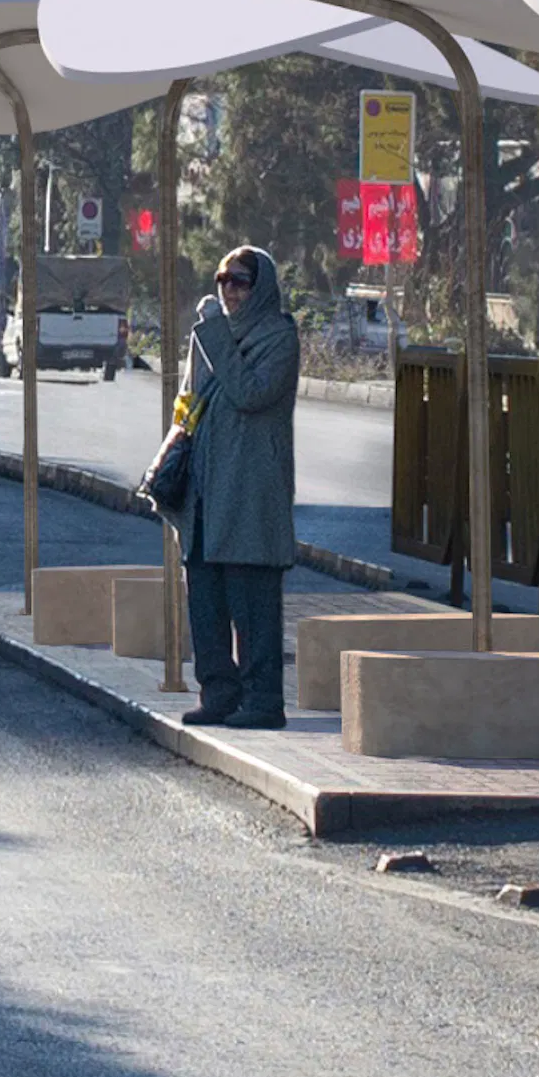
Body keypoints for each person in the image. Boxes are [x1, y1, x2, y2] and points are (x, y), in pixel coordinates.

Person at [176, 244, 299, 729]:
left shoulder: (278, 337)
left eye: (241, 280)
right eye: (222, 279)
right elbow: (189, 399)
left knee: (253, 603)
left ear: (261, 286)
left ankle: (263, 699)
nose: (230, 290)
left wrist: (213, 337)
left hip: (250, 493)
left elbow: (251, 393)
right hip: (205, 489)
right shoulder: (210, 337)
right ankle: (219, 691)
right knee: (205, 597)